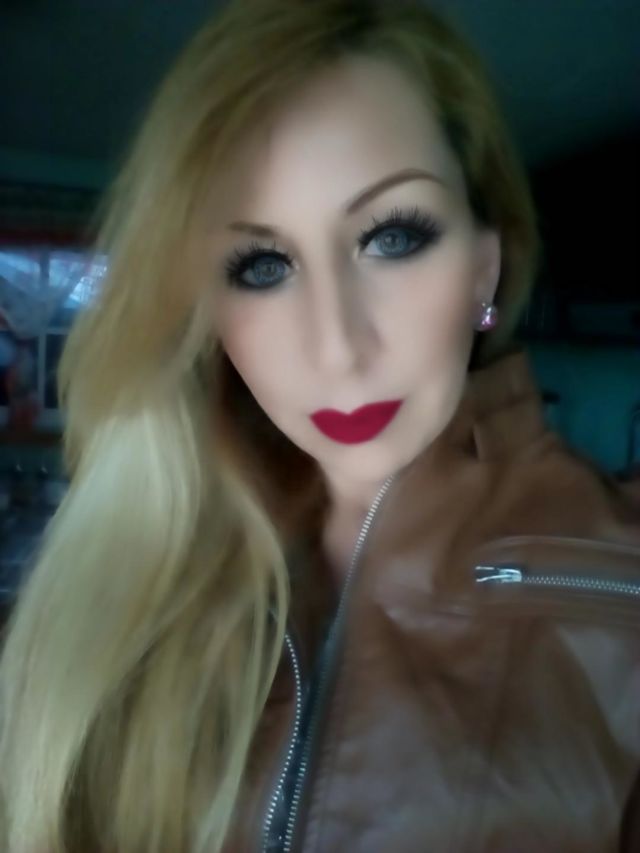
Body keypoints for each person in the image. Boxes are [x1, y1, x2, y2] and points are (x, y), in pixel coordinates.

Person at [1, 0, 639, 850]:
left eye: (393, 237)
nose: (337, 348)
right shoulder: (113, 589)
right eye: (261, 265)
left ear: (483, 271)